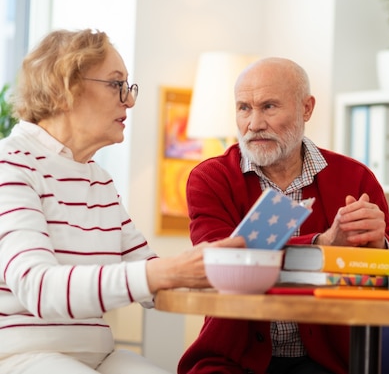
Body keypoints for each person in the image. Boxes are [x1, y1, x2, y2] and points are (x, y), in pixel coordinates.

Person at [0, 29, 245, 374]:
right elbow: (39, 288)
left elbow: (148, 272)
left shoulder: (96, 177)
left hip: (98, 357)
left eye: (128, 86)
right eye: (117, 84)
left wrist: (228, 267)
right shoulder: (11, 164)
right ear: (66, 87)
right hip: (21, 357)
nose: (129, 101)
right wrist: (163, 272)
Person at [178, 57, 389, 374]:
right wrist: (321, 245)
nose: (254, 123)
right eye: (244, 108)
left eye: (269, 106)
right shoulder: (210, 179)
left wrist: (378, 243)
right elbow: (217, 263)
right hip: (233, 358)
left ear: (306, 109)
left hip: (330, 362)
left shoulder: (356, 178)